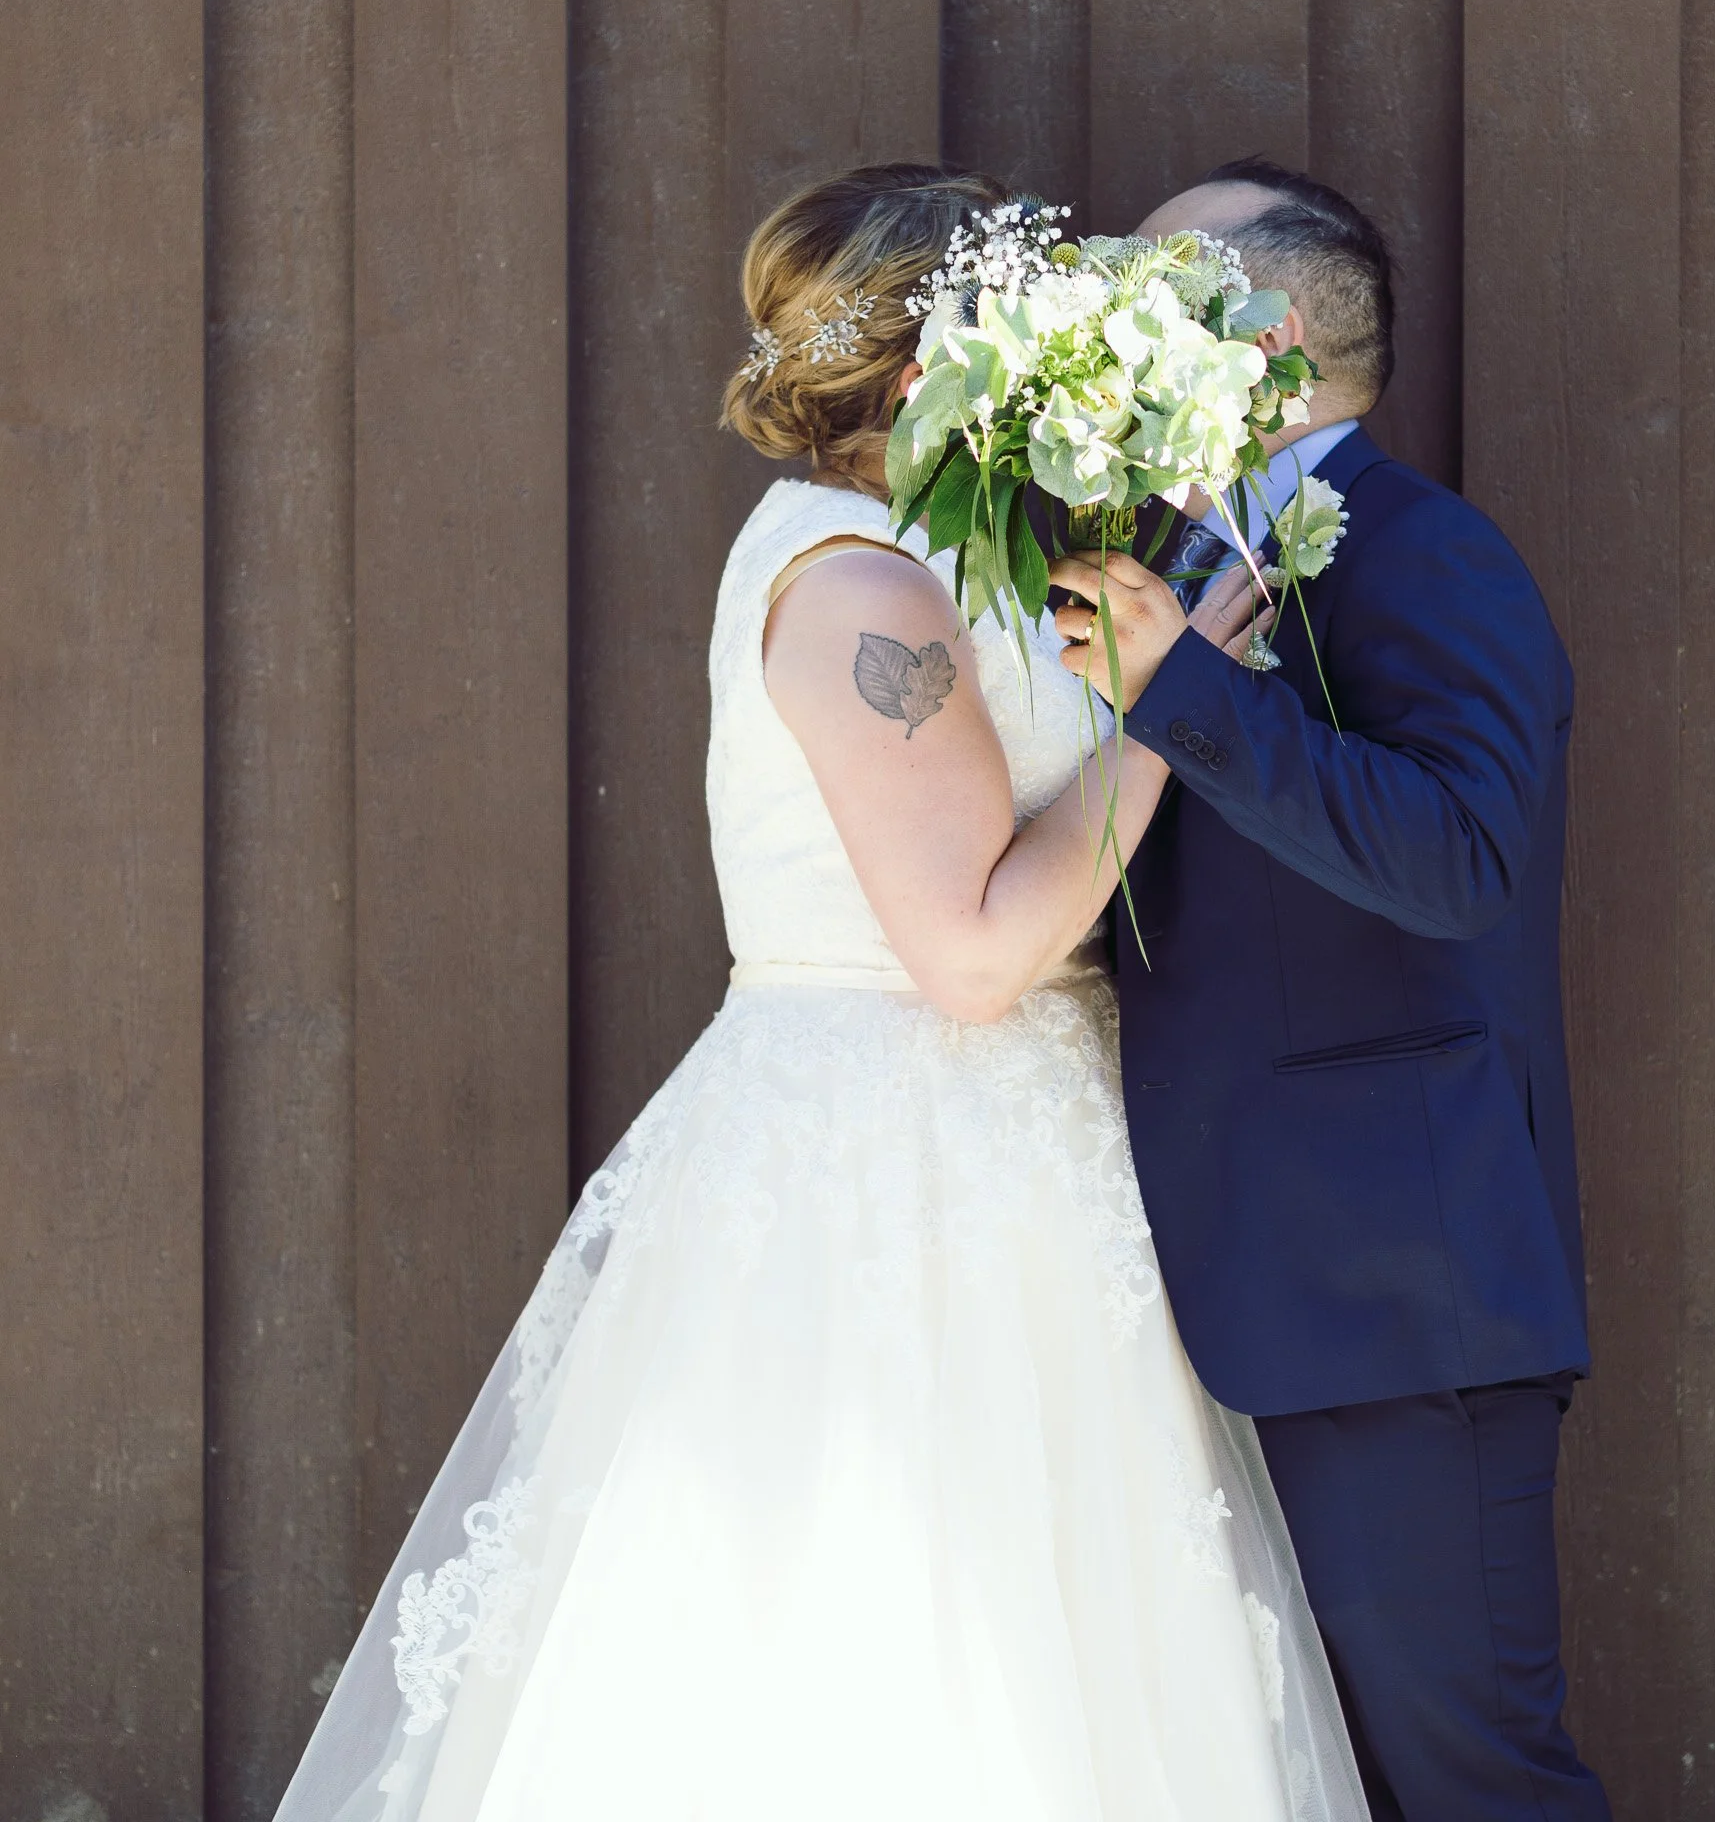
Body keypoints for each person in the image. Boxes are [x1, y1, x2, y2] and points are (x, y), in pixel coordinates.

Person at [270, 164, 1370, 1822]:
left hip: (1019, 1164)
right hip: (896, 1163)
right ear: (940, 361)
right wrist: (1172, 710)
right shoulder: (862, 587)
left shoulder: (931, 551)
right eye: (1027, 321)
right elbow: (973, 953)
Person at [1052, 159, 1611, 1821]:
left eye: (1144, 292)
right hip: (1201, 1288)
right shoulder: (1155, 559)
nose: (1100, 320)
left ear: (1269, 343)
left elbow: (1460, 856)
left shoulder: (1427, 554)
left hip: (1391, 1298)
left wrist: (1184, 692)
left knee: (1469, 1781)